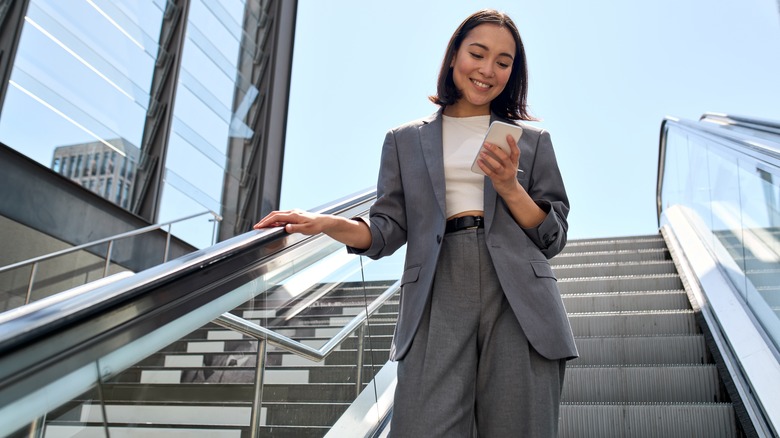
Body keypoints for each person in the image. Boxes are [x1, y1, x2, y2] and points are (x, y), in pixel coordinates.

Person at [254, 9, 577, 437]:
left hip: (520, 296)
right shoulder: (405, 140)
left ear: (513, 72)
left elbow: (553, 236)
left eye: (503, 62)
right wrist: (328, 224)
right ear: (452, 57)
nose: (487, 70)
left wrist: (509, 188)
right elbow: (387, 228)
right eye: (477, 54)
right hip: (435, 290)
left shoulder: (532, 141)